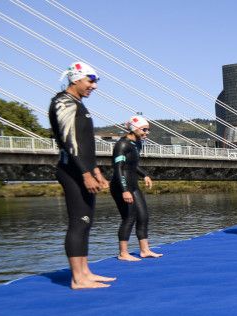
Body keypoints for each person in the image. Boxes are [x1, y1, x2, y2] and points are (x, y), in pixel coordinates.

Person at [49, 61, 114, 289]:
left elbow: (86, 145)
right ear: (75, 79)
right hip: (72, 170)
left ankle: (85, 272)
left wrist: (96, 171)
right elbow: (70, 142)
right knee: (78, 222)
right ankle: (78, 278)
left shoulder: (78, 103)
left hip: (83, 169)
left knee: (86, 221)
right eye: (90, 81)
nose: (94, 87)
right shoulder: (63, 102)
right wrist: (86, 173)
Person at [109, 115, 161, 261]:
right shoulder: (122, 145)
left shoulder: (137, 143)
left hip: (133, 185)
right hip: (121, 186)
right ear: (134, 128)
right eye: (144, 129)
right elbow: (118, 168)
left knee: (143, 216)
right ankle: (123, 253)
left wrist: (145, 175)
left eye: (148, 130)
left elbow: (133, 165)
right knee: (129, 217)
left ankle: (145, 250)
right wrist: (125, 190)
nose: (147, 133)